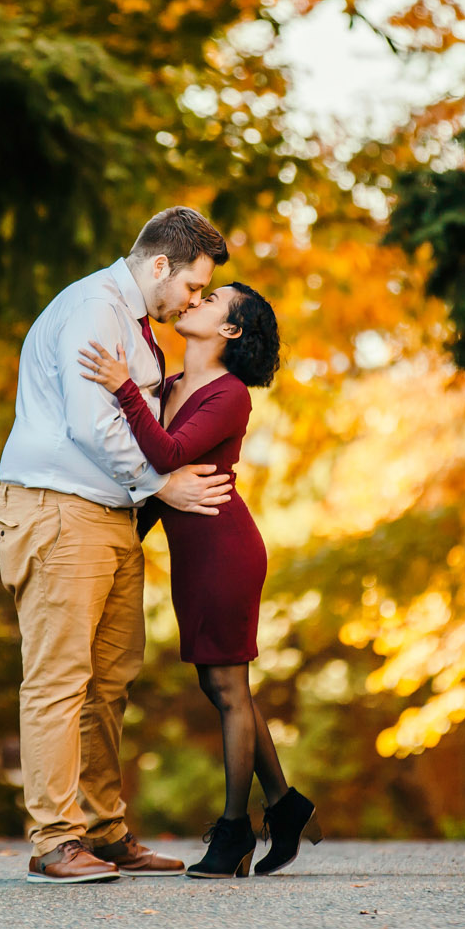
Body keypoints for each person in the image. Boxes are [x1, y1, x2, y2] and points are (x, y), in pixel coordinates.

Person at [0, 207, 236, 884]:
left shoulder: (133, 323)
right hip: (57, 511)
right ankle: (55, 836)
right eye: (192, 286)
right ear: (160, 265)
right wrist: (166, 484)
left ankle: (103, 831)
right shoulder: (94, 309)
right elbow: (89, 425)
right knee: (60, 679)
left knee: (110, 681)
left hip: (110, 516)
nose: (193, 300)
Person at [77, 281, 322, 879]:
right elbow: (161, 484)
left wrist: (123, 390)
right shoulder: (174, 385)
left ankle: (235, 830)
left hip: (225, 550)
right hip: (195, 555)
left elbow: (167, 454)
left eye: (211, 299)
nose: (195, 300)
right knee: (223, 687)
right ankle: (286, 808)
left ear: (230, 330)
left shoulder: (229, 394)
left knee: (229, 690)